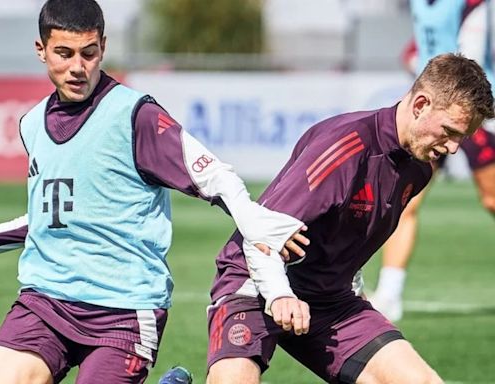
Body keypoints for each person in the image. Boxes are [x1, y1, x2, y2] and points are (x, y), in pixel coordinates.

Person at [0, 1, 308, 383]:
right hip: (45, 301)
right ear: (41, 50)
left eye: (89, 53)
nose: (77, 67)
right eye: (64, 53)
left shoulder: (136, 116)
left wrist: (258, 223)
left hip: (123, 311)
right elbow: (47, 216)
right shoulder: (32, 124)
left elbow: (215, 177)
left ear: (103, 46)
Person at [203, 53, 494, 384]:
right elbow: (262, 232)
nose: (454, 148)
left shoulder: (418, 169)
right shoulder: (345, 146)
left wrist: (355, 295)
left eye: (462, 138)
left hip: (330, 300)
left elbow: (352, 238)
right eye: (449, 131)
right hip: (254, 282)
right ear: (420, 105)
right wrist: (280, 294)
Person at [370, 0, 495, 322]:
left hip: (470, 113)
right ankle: (389, 295)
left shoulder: (473, 4)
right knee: (404, 201)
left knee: (492, 199)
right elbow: (417, 48)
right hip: (434, 114)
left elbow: (474, 53)